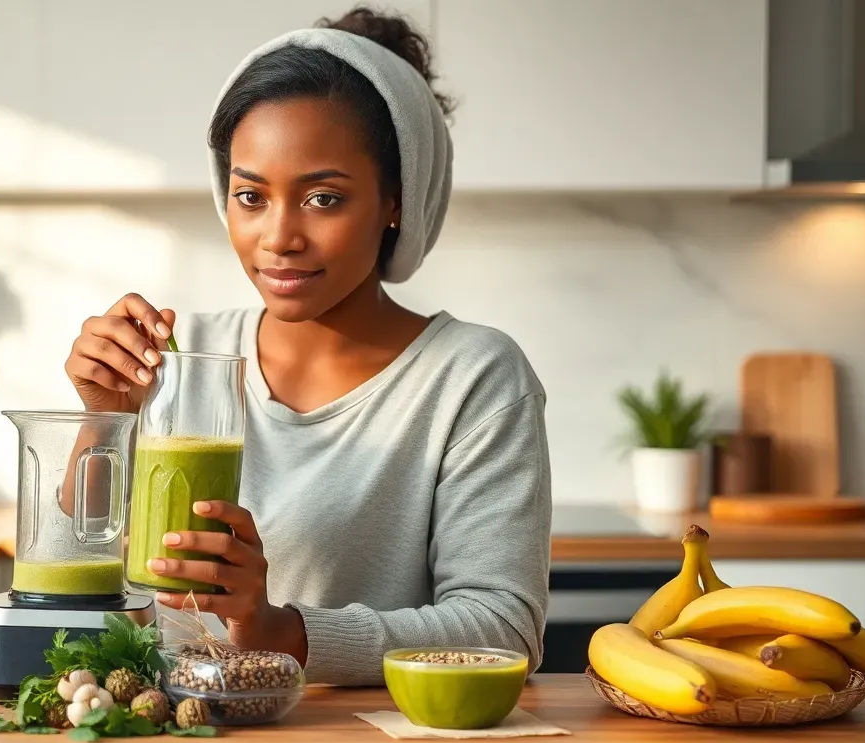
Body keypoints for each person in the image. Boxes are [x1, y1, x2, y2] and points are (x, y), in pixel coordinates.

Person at [64, 6, 552, 687]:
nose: (279, 237)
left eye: (323, 198)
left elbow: (503, 628)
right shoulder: (184, 357)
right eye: (250, 196)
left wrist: (282, 631)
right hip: (170, 732)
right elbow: (70, 583)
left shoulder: (472, 377)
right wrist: (101, 420)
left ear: (395, 202)